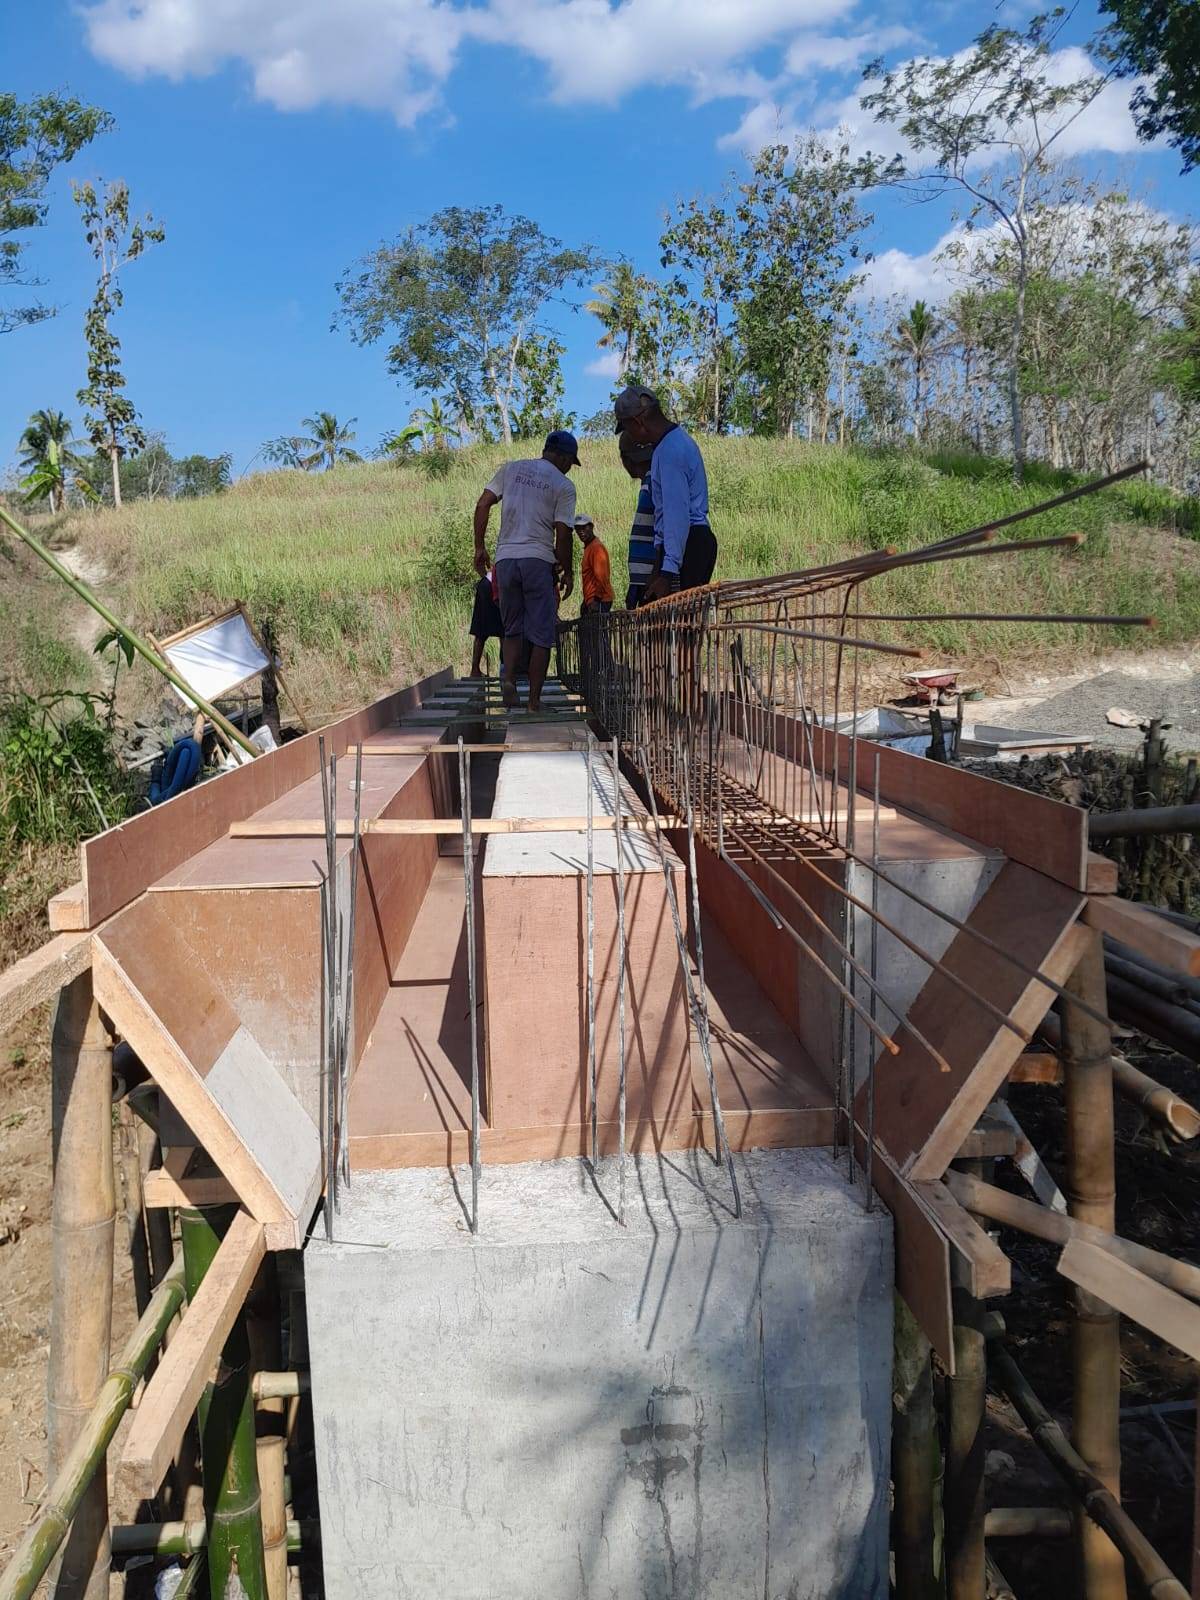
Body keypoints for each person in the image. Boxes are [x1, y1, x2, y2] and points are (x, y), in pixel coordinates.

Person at [473, 430, 578, 712]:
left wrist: (480, 547)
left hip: (506, 560)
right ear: (563, 457)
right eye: (570, 461)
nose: (570, 467)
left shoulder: (511, 469)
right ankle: (533, 702)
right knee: (542, 634)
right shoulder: (563, 485)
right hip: (538, 560)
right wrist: (567, 571)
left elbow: (483, 503)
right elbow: (563, 533)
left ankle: (507, 678)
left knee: (512, 629)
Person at [613, 385, 716, 602]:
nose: (629, 435)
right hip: (681, 546)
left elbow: (676, 515)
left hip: (690, 543)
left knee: (681, 624)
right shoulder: (666, 446)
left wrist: (667, 573)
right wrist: (657, 567)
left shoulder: (670, 451)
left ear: (638, 421)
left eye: (627, 428)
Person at [619, 437, 656, 608]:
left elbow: (664, 533)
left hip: (651, 579)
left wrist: (654, 576)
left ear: (627, 460)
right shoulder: (647, 483)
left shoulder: (653, 483)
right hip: (643, 579)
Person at [467, 566, 503, 677]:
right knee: (506, 631)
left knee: (483, 632)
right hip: (493, 584)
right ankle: (506, 670)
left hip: (489, 583)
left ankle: (475, 669)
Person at [575, 515, 614, 614]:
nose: (581, 532)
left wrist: (596, 600)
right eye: (578, 529)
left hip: (600, 600)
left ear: (591, 527)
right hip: (593, 600)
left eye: (584, 528)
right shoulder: (589, 547)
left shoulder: (596, 548)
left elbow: (602, 577)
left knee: (596, 629)